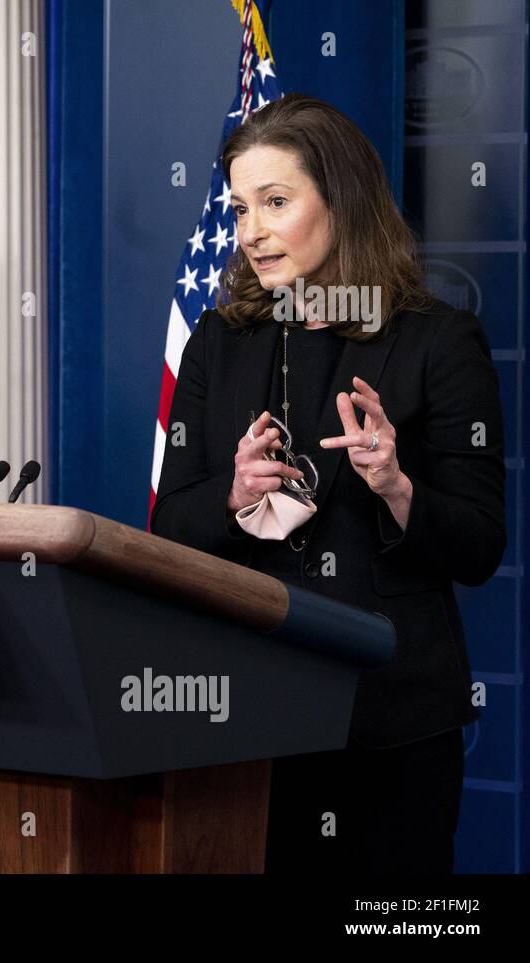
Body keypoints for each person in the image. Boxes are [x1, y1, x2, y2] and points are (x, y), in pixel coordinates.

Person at [150, 94, 505, 873]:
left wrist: (396, 485)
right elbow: (167, 527)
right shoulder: (221, 339)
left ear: (340, 199)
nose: (251, 231)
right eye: (241, 207)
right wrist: (232, 495)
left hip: (390, 726)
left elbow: (480, 543)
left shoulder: (438, 342)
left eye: (276, 202)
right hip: (243, 719)